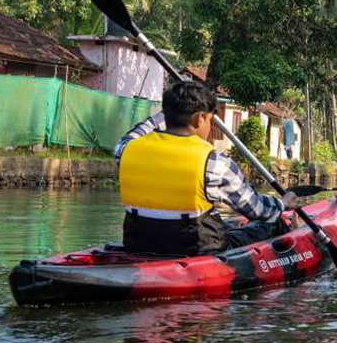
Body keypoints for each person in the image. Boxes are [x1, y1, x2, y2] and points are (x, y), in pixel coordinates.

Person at [114, 81, 298, 256]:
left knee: (227, 225)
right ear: (199, 118)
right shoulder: (214, 162)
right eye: (210, 120)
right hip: (198, 248)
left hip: (138, 243)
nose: (210, 126)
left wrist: (173, 108)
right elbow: (256, 210)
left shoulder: (125, 149)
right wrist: (282, 203)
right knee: (272, 224)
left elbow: (140, 130)